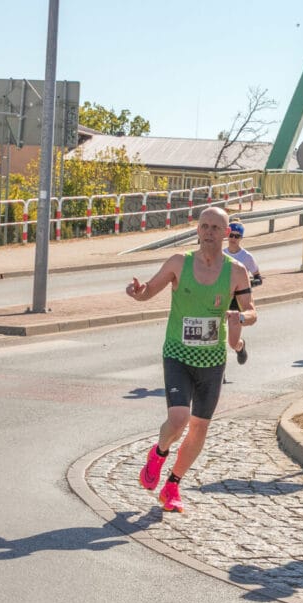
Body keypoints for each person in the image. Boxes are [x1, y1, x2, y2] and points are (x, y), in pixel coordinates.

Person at [127, 206, 257, 513]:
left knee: (199, 427)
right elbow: (149, 292)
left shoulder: (237, 271)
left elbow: (252, 310)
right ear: (197, 230)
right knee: (179, 419)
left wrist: (242, 315)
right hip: (177, 353)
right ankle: (158, 454)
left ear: (226, 234)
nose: (209, 232)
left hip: (212, 359)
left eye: (216, 228)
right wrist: (138, 292)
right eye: (204, 226)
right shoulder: (178, 263)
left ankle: (172, 485)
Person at [222, 221, 262, 365]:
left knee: (232, 341)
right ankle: (220, 370)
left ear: (241, 238)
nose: (233, 239)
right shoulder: (221, 254)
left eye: (237, 236)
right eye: (231, 235)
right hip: (222, 297)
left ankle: (240, 346)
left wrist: (245, 284)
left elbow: (258, 278)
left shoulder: (246, 257)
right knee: (218, 334)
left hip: (238, 300)